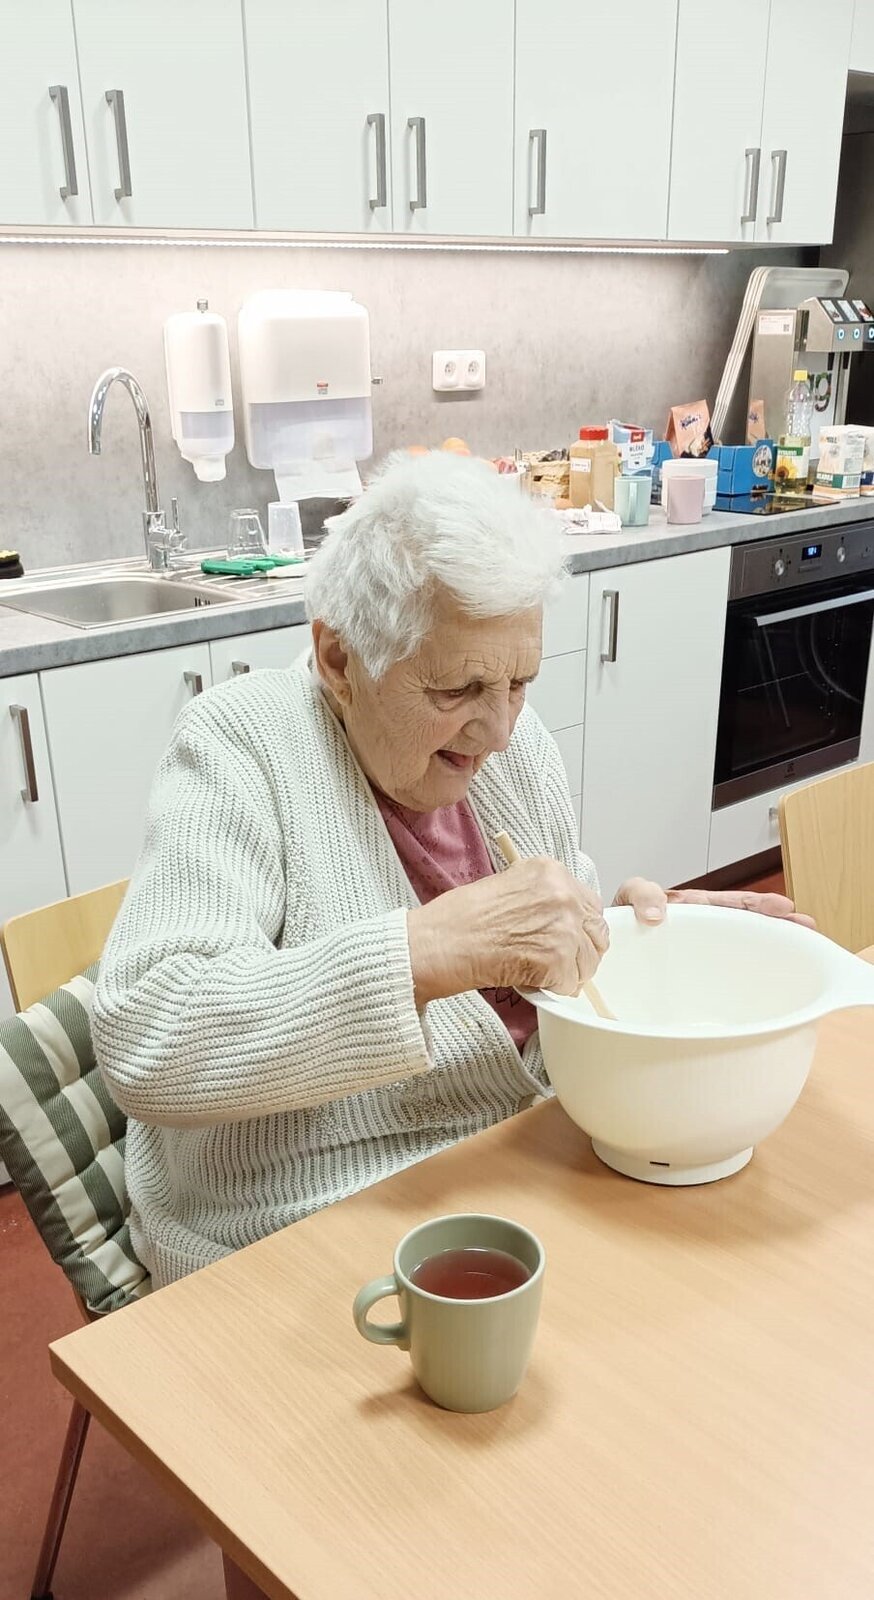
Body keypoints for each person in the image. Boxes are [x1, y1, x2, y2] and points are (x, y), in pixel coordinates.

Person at [93, 452, 809, 1286]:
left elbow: (543, 988)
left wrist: (635, 940)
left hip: (512, 1168)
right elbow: (147, 1037)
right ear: (340, 660)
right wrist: (428, 951)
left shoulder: (509, 744)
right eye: (459, 690)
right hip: (301, 1225)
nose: (499, 730)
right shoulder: (241, 746)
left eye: (520, 682)